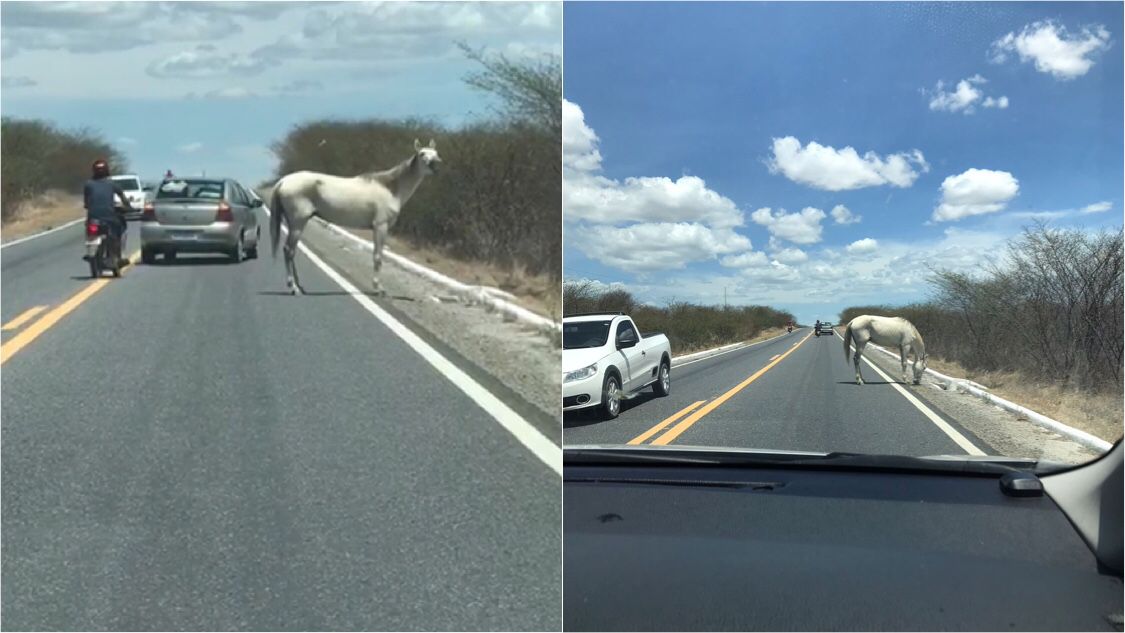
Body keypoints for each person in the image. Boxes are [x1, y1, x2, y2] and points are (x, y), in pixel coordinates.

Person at [83, 158, 133, 267]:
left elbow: (86, 203)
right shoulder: (111, 184)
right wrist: (128, 207)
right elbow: (123, 197)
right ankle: (119, 256)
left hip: (93, 218)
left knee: (89, 231)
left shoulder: (88, 184)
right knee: (120, 231)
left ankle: (91, 254)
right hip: (109, 218)